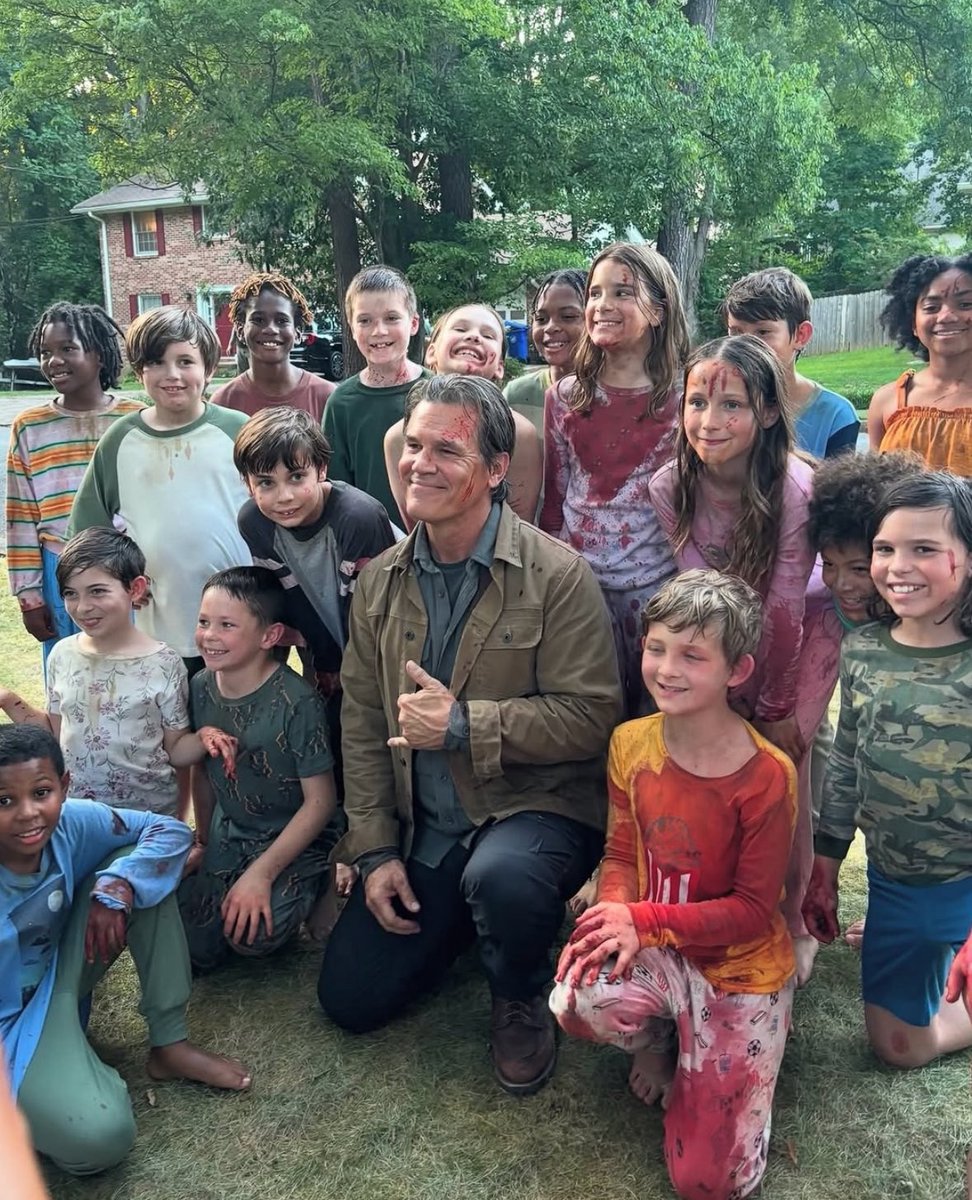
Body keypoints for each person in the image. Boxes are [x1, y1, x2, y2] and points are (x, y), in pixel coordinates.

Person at [317, 373, 622, 1096]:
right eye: (413, 445)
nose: (419, 463)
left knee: (504, 879)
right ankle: (467, 918)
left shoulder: (558, 576)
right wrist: (377, 850)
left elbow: (593, 718)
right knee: (351, 1000)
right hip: (424, 825)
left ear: (494, 470)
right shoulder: (379, 582)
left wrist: (463, 724)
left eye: (446, 451)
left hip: (530, 808)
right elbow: (360, 723)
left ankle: (517, 987)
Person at [551, 569, 797, 1200]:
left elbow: (750, 910)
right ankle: (662, 1037)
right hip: (657, 944)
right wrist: (613, 917)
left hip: (738, 965)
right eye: (656, 647)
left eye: (693, 655)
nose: (666, 668)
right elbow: (622, 850)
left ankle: (740, 1054)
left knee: (707, 1185)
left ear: (736, 671)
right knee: (574, 998)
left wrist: (644, 923)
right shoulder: (631, 743)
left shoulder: (766, 776)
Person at [650, 334, 842, 985]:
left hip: (803, 639)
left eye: (731, 404)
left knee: (785, 771)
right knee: (723, 767)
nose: (709, 420)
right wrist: (726, 699)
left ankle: (793, 919)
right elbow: (706, 602)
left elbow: (786, 609)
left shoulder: (795, 490)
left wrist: (776, 711)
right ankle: (727, 902)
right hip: (729, 640)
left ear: (766, 413)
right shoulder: (669, 486)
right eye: (697, 400)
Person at [0, 725, 250, 1177]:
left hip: (57, 978)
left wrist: (118, 886)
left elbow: (168, 833)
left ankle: (169, 1044)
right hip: (9, 1030)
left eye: (41, 792)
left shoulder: (71, 822)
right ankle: (52, 1088)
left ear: (65, 786)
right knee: (101, 1136)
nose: (27, 814)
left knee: (137, 865)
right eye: (4, 801)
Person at [803, 471, 972, 1068]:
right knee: (900, 1048)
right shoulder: (865, 649)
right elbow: (846, 758)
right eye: (885, 548)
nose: (898, 565)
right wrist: (825, 864)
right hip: (895, 881)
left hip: (965, 884)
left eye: (924, 549)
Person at [539, 242, 689, 718]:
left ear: (659, 310)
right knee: (585, 714)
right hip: (580, 588)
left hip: (659, 587)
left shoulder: (688, 398)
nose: (603, 304)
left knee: (654, 717)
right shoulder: (565, 396)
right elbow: (555, 496)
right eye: (596, 293)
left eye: (623, 292)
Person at [0, 528, 234, 817]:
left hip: (148, 820)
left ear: (134, 589)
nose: (83, 607)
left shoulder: (163, 663)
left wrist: (202, 739)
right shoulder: (62, 655)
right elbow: (56, 735)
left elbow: (175, 750)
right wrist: (7, 699)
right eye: (71, 594)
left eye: (97, 591)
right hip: (80, 818)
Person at [68, 305, 252, 669]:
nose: (172, 375)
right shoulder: (121, 439)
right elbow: (87, 532)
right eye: (156, 362)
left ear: (209, 368)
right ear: (139, 371)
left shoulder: (238, 431)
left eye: (186, 361)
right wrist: (116, 579)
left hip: (241, 623)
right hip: (157, 631)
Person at [178, 568, 338, 969]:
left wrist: (262, 875)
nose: (209, 635)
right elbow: (203, 770)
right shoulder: (199, 686)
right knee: (192, 946)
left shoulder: (296, 702)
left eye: (226, 625)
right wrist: (203, 841)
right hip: (230, 835)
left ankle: (322, 885)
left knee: (253, 936)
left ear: (269, 636)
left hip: (292, 840)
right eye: (203, 622)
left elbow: (320, 802)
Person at [806, 450, 925, 948]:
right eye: (829, 565)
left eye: (859, 566)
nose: (844, 583)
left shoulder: (922, 601)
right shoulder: (831, 601)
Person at [5, 302, 145, 675]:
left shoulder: (135, 419)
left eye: (68, 349)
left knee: (134, 671)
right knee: (70, 678)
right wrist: (29, 596)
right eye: (45, 352)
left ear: (99, 355)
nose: (54, 361)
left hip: (126, 565)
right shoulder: (29, 426)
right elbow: (20, 517)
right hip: (59, 568)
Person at [384, 302, 543, 526]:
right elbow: (417, 528)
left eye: (488, 335)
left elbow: (520, 527)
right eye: (460, 329)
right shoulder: (398, 438)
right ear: (431, 351)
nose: (474, 337)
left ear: (499, 365)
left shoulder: (520, 434)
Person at [323, 265, 428, 522]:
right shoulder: (342, 403)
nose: (378, 331)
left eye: (392, 318)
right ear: (351, 327)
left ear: (413, 323)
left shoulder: (439, 393)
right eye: (365, 320)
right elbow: (336, 490)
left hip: (434, 537)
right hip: (370, 542)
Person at [724, 266, 859, 458]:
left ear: (801, 335)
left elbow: (835, 487)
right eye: (736, 332)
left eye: (762, 332)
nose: (746, 346)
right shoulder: (715, 405)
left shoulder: (836, 415)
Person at [868, 252, 972, 472]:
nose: (946, 316)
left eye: (965, 304)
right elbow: (873, 493)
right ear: (912, 322)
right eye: (931, 308)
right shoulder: (887, 402)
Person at [211, 270, 335, 422]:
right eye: (258, 320)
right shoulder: (224, 402)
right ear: (240, 330)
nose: (270, 329)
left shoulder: (327, 398)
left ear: (298, 333)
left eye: (282, 321)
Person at [503, 269, 587, 437]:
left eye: (568, 316)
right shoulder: (516, 396)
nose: (550, 327)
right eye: (541, 319)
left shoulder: (622, 396)